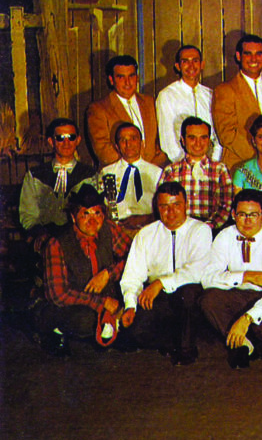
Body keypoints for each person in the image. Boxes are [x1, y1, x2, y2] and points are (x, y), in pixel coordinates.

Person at [119, 181, 211, 365]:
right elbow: (132, 275)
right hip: (158, 296)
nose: (171, 212)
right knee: (134, 333)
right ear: (157, 207)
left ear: (186, 204)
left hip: (189, 295)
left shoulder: (200, 230)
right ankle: (173, 339)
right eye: (164, 206)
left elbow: (198, 269)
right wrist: (130, 304)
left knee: (188, 294)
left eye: (176, 205)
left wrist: (160, 283)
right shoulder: (145, 234)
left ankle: (186, 349)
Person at [36, 185, 131, 356]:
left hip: (107, 296)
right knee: (86, 320)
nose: (92, 221)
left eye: (97, 214)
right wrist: (103, 303)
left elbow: (134, 258)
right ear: (73, 217)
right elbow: (58, 294)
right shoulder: (57, 244)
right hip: (72, 303)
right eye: (85, 214)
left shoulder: (109, 229)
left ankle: (109, 330)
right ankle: (57, 331)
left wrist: (109, 273)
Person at [200, 190, 262, 369]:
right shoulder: (225, 236)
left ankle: (249, 336)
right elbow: (208, 278)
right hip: (235, 295)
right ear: (233, 214)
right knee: (208, 300)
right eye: (242, 214)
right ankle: (244, 344)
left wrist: (247, 318)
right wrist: (246, 276)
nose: (247, 221)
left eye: (253, 215)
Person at [212, 34, 262, 170]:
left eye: (258, 54)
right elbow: (227, 135)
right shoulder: (225, 90)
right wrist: (260, 159)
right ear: (238, 56)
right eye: (248, 54)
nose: (253, 59)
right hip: (241, 165)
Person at [86, 54, 167, 167]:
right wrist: (135, 166)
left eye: (131, 76)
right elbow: (103, 150)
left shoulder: (151, 102)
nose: (127, 82)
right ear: (111, 80)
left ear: (137, 77)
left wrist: (153, 166)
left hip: (153, 172)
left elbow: (163, 139)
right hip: (119, 174)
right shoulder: (98, 109)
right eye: (121, 77)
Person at [19, 118, 96, 236]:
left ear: (78, 140)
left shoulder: (90, 175)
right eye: (60, 138)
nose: (66, 143)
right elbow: (28, 216)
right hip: (44, 240)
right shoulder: (34, 176)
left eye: (71, 137)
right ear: (51, 141)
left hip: (80, 240)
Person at [158, 117, 233, 230]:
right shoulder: (171, 171)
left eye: (203, 138)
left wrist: (206, 228)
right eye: (192, 138)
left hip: (212, 231)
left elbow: (226, 206)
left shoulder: (220, 170)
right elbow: (164, 204)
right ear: (183, 140)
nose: (198, 143)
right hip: (179, 230)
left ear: (209, 140)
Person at [156, 44, 222, 164]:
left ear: (202, 64)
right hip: (182, 165)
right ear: (178, 66)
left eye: (195, 61)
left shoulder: (211, 95)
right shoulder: (167, 95)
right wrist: (186, 165)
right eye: (185, 61)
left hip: (211, 164)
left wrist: (213, 161)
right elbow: (168, 139)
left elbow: (218, 133)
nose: (191, 66)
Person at [98, 123, 162, 229]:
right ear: (117, 146)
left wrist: (145, 219)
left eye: (133, 138)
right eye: (123, 140)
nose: (128, 144)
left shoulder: (156, 173)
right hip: (116, 230)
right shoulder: (107, 173)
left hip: (148, 228)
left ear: (142, 143)